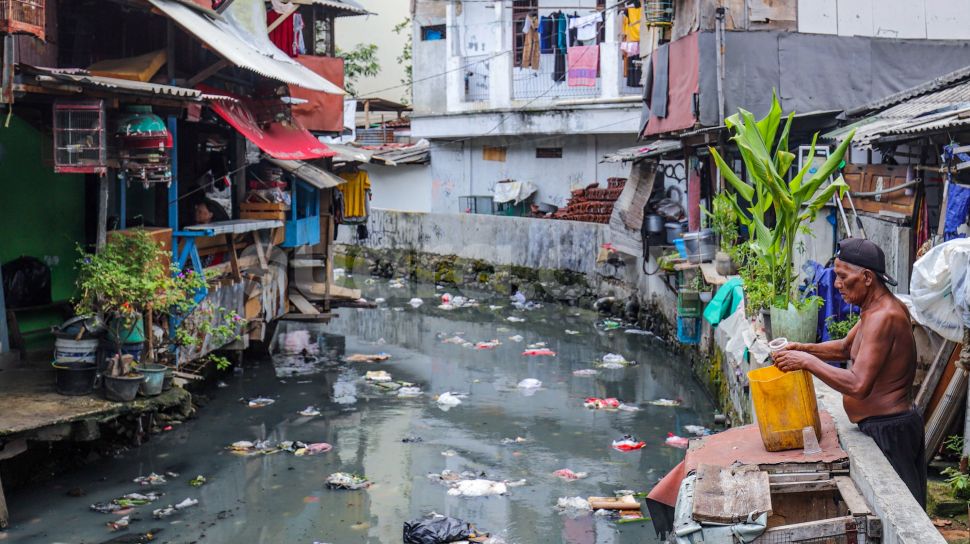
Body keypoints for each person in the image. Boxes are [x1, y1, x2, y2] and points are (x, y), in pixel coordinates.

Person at [772, 238, 925, 508]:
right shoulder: (873, 309)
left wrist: (806, 360)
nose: (836, 284)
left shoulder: (884, 316)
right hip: (881, 426)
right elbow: (845, 347)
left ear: (866, 277)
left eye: (843, 277)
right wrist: (802, 346)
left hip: (891, 430)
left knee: (904, 507)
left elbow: (858, 384)